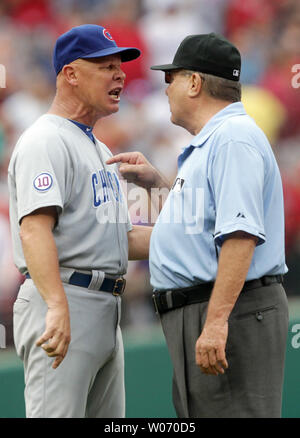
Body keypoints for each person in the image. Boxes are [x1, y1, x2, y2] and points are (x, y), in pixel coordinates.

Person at [107, 33, 289, 418]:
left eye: (171, 78)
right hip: (212, 309)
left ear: (195, 83)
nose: (166, 87)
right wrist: (159, 188)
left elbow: (240, 237)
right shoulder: (215, 141)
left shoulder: (232, 138)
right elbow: (200, 231)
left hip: (230, 311)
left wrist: (217, 321)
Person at [8, 24, 151, 418]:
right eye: (106, 65)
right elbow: (33, 228)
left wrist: (197, 238)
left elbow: (121, 238)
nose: (120, 73)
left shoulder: (98, 145)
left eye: (119, 65)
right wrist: (56, 305)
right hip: (65, 297)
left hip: (105, 307)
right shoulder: (44, 139)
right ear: (70, 74)